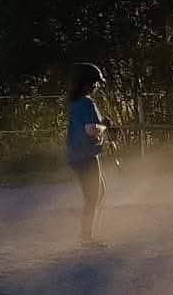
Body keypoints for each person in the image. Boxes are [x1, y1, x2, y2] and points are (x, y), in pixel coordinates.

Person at [66, 62, 110, 247]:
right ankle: (86, 237)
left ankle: (87, 232)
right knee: (93, 196)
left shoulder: (76, 103)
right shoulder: (86, 103)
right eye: (95, 82)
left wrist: (102, 124)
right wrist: (105, 126)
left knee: (99, 193)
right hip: (85, 155)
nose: (97, 85)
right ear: (87, 84)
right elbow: (91, 130)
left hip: (78, 155)